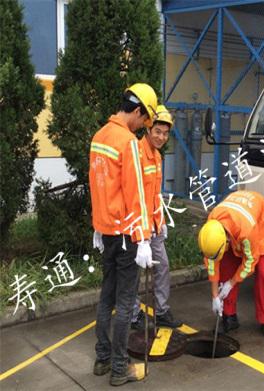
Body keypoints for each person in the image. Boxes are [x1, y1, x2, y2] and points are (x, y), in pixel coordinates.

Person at [89, 83, 158, 386]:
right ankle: (119, 369)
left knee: (106, 298)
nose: (143, 127)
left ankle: (102, 358)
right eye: (145, 121)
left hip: (106, 232)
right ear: (138, 111)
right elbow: (136, 194)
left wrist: (97, 225)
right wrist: (143, 238)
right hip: (127, 235)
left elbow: (98, 187)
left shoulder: (99, 137)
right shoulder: (127, 142)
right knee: (126, 303)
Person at [198, 190, 264, 340]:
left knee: (263, 272)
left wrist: (231, 283)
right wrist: (215, 295)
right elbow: (213, 261)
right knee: (225, 266)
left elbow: (250, 263)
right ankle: (229, 317)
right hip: (236, 230)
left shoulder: (246, 233)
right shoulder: (212, 227)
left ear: (226, 241)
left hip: (262, 229)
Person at [130, 105, 183, 330]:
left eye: (165, 133)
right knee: (133, 273)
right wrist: (141, 233)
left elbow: (155, 194)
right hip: (137, 227)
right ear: (148, 129)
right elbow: (135, 196)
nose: (161, 137)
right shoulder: (137, 153)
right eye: (157, 131)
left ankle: (161, 311)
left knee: (162, 267)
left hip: (154, 225)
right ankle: (134, 315)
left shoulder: (158, 157)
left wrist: (160, 222)